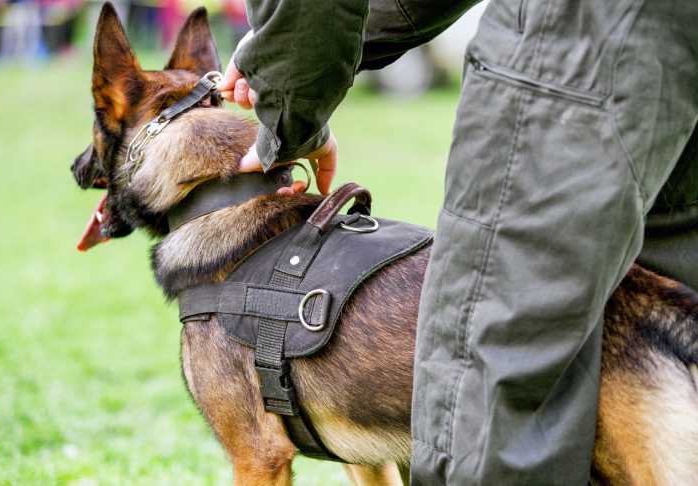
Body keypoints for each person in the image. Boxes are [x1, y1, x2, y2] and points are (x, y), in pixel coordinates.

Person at [218, 1, 698, 483]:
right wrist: (300, 57)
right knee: (655, 310)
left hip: (580, 33)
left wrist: (288, 90)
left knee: (494, 364)